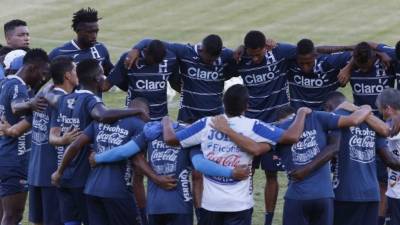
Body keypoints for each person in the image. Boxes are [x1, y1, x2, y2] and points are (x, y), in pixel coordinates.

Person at [161, 84, 312, 225]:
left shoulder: (206, 123)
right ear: (247, 105)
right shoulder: (253, 126)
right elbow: (292, 136)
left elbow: (170, 139)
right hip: (239, 204)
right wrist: (301, 113)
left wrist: (166, 121)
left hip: (211, 204)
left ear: (223, 103)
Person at [48, 59, 147, 225]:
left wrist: (59, 171)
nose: (105, 77)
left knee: (70, 221)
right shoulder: (90, 100)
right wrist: (136, 110)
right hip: (83, 175)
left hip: (64, 173)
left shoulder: (65, 99)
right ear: (97, 78)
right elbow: (102, 115)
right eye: (102, 74)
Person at [52, 98, 165, 225]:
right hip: (118, 192)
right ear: (145, 112)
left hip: (92, 190)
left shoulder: (98, 123)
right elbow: (137, 160)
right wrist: (156, 178)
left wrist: (59, 172)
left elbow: (74, 146)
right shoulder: (140, 126)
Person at [271, 102, 372, 225]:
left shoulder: (277, 130)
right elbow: (354, 120)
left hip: (297, 196)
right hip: (323, 195)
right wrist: (367, 107)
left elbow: (258, 149)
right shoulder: (318, 117)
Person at [322, 91, 400, 225]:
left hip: (345, 193)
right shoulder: (373, 122)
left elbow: (331, 151)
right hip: (371, 194)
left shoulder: (335, 120)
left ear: (329, 107)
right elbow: (390, 160)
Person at [127, 34, 236, 123]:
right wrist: (136, 49)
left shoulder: (226, 55)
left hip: (215, 117)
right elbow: (153, 42)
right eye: (208, 60)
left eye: (214, 60)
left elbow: (245, 53)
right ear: (202, 50)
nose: (211, 63)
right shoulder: (185, 52)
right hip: (188, 117)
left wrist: (241, 49)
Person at [0, 49, 50, 225]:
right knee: (13, 216)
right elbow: (15, 106)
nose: (44, 79)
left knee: (5, 215)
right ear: (32, 68)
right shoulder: (17, 85)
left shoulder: (6, 82)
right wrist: (32, 104)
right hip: (15, 159)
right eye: (43, 73)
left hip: (7, 157)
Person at [104, 39, 179, 120]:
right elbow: (108, 83)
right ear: (146, 52)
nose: (155, 65)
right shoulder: (129, 59)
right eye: (153, 61)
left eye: (159, 62)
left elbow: (175, 83)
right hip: (134, 118)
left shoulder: (171, 59)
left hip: (160, 118)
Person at [286, 38, 352, 110]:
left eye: (308, 63)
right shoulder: (290, 62)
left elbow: (362, 50)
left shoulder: (328, 62)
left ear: (315, 56)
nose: (305, 68)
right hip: (298, 117)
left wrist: (347, 69)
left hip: (323, 117)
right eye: (301, 64)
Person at [49, 7, 113, 76]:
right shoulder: (59, 53)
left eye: (96, 31)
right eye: (89, 32)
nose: (94, 36)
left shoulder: (101, 48)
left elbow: (113, 76)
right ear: (78, 30)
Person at [376, 88, 400, 225]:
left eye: (380, 110)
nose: (380, 114)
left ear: (388, 108)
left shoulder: (390, 127)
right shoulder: (389, 126)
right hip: (394, 189)